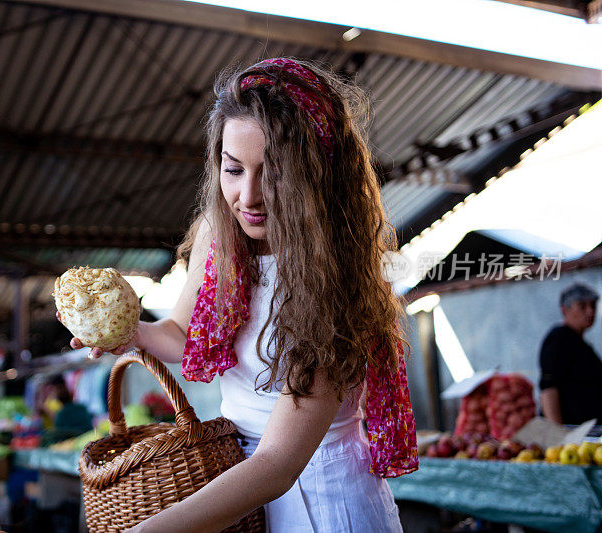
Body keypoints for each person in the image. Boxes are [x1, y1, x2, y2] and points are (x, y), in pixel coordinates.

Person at [72, 57, 417, 532]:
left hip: (323, 503)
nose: (248, 197)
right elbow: (181, 335)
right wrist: (133, 334)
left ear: (317, 175)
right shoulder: (219, 236)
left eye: (274, 173)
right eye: (233, 170)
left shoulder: (337, 281)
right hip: (241, 492)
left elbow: (277, 462)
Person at [539, 282, 602, 425]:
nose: (590, 311)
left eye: (593, 305)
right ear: (564, 310)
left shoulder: (581, 343)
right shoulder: (558, 340)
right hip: (572, 434)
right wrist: (559, 436)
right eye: (582, 306)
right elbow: (548, 389)